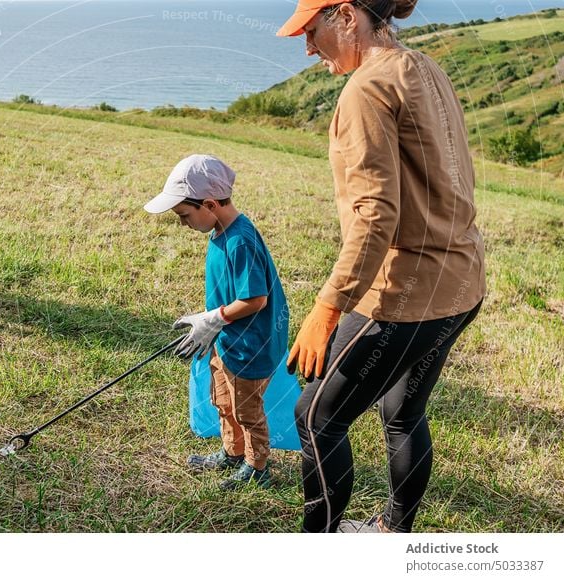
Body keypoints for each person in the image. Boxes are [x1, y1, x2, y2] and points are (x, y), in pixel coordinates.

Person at [277, 0, 486, 532]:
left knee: (315, 416)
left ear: (346, 15)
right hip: (462, 281)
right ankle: (393, 535)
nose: (306, 46)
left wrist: (328, 307)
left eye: (310, 29)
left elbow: (375, 216)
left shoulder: (365, 89)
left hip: (406, 294)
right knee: (403, 413)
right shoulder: (425, 67)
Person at [145, 154, 289, 490]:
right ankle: (232, 452)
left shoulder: (240, 241)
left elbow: (256, 299)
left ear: (209, 204)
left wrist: (214, 318)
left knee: (247, 411)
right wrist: (214, 324)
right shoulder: (221, 231)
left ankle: (257, 468)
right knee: (223, 400)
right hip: (227, 339)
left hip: (250, 347)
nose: (182, 223)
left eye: (184, 215)